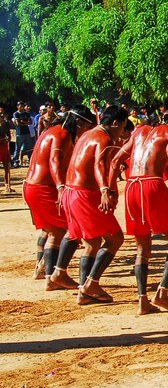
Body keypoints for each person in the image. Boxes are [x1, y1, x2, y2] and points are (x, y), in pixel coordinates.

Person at [109, 108, 168, 315]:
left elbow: (116, 159)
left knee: (142, 247)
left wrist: (109, 190)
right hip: (152, 185)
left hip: (132, 186)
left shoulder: (139, 130)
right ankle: (162, 293)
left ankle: (142, 300)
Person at [56, 105, 128, 304]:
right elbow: (99, 164)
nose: (122, 132)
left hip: (71, 192)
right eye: (122, 127)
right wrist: (105, 189)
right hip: (83, 194)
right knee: (115, 239)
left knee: (92, 242)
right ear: (115, 123)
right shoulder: (103, 138)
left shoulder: (87, 134)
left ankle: (84, 290)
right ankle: (91, 284)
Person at [23, 106, 96, 290]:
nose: (86, 131)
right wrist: (61, 187)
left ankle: (43, 270)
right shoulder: (62, 134)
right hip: (43, 188)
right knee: (62, 229)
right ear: (78, 122)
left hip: (32, 186)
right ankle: (52, 277)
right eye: (86, 126)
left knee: (50, 230)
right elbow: (54, 161)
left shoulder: (52, 131)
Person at [12, 103, 34, 167]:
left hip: (27, 132)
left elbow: (30, 122)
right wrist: (26, 123)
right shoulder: (16, 114)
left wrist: (23, 122)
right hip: (20, 133)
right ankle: (15, 161)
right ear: (17, 106)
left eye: (22, 106)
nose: (21, 107)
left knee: (29, 148)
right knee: (17, 148)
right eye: (20, 106)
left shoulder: (27, 113)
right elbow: (17, 123)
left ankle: (30, 160)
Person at [0, 110, 12, 193]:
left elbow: (10, 136)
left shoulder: (6, 124)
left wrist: (7, 139)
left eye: (2, 115)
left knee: (7, 167)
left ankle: (7, 185)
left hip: (4, 147)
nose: (1, 117)